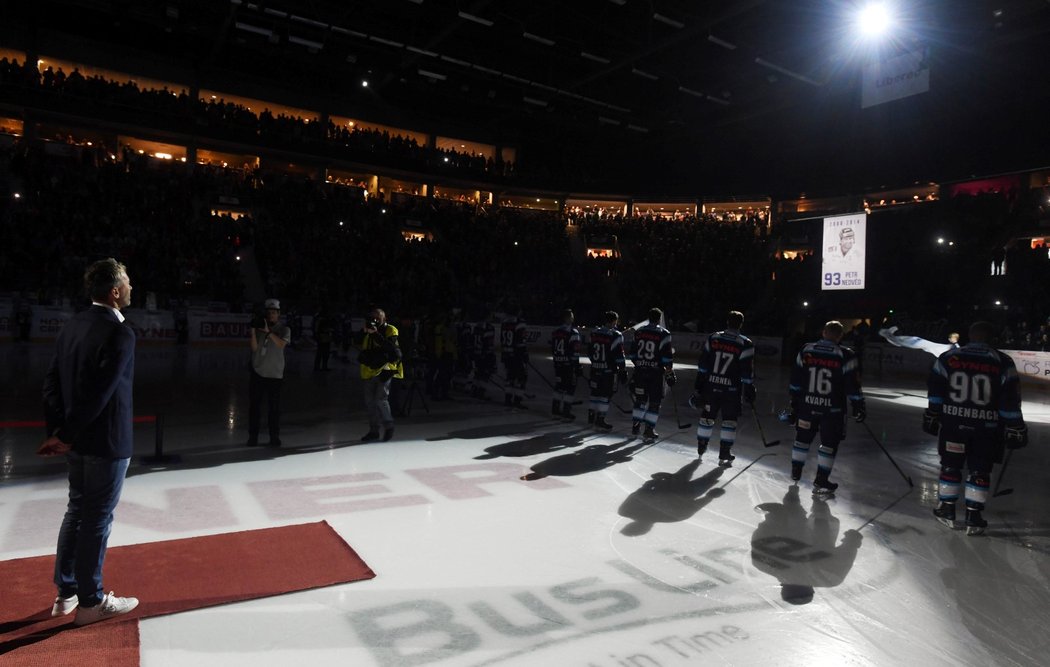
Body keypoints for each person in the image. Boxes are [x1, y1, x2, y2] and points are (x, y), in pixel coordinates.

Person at [39, 258, 139, 625]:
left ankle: (65, 594)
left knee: (76, 511)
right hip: (106, 443)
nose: (131, 288)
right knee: (96, 519)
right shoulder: (121, 332)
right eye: (127, 283)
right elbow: (101, 393)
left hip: (76, 442)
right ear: (114, 291)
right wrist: (65, 435)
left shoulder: (72, 326)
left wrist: (60, 433)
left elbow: (50, 384)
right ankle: (91, 602)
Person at [924, 321, 1027, 535]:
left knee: (951, 466)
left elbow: (935, 390)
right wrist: (1016, 426)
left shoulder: (948, 358)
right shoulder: (1003, 361)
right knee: (980, 470)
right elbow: (1010, 399)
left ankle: (947, 509)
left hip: (953, 425)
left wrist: (933, 414)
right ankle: (974, 516)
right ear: (992, 337)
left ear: (970, 336)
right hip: (987, 429)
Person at [785, 320, 866, 495]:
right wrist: (858, 404)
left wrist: (794, 401)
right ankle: (821, 480)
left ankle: (796, 471)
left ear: (824, 332)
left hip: (807, 405)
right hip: (833, 410)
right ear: (840, 336)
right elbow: (852, 384)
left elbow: (796, 377)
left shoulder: (807, 349)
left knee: (802, 439)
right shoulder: (846, 354)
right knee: (829, 444)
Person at [692, 310, 756, 466]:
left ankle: (701, 446)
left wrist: (699, 385)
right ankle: (724, 452)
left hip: (711, 386)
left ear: (727, 322)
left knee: (707, 417)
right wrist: (749, 388)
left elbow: (703, 364)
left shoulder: (714, 337)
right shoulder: (745, 343)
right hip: (731, 390)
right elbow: (746, 371)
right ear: (741, 324)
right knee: (729, 420)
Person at [247, 298, 290, 447]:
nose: (271, 315)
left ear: (278, 314)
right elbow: (253, 348)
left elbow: (281, 344)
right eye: (269, 312)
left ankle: (274, 436)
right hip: (258, 371)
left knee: (274, 408)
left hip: (275, 374)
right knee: (255, 407)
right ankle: (253, 436)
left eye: (274, 312)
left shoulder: (284, 329)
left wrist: (268, 332)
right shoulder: (259, 328)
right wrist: (253, 332)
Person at [355, 307, 403, 442]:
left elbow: (392, 349)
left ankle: (389, 426)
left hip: (385, 369)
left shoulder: (391, 329)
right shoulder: (367, 329)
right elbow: (355, 342)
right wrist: (363, 332)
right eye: (373, 317)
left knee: (381, 400)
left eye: (378, 317)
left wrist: (375, 334)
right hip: (368, 370)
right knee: (369, 402)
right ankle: (373, 430)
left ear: (384, 318)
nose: (375, 320)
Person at [629, 307, 675, 441]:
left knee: (640, 400)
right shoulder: (664, 333)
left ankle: (635, 427)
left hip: (640, 372)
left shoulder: (639, 332)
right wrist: (669, 372)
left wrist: (640, 364)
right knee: (654, 402)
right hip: (655, 374)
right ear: (659, 318)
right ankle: (649, 430)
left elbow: (632, 354)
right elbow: (667, 357)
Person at [587, 310, 628, 431]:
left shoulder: (594, 333)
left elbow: (589, 352)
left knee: (595, 393)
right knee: (605, 395)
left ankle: (591, 417)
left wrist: (596, 363)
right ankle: (600, 419)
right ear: (614, 321)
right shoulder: (616, 335)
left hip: (595, 369)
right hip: (608, 372)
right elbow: (619, 356)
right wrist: (622, 370)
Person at [550, 308, 583, 419]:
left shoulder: (556, 332)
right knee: (570, 388)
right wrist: (577, 366)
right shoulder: (573, 333)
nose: (573, 318)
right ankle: (566, 411)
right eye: (571, 316)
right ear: (567, 318)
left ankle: (555, 409)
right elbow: (575, 352)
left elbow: (553, 348)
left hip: (558, 363)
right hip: (568, 365)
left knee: (559, 386)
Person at [500, 307, 529, 407]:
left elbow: (502, 340)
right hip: (517, 355)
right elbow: (521, 341)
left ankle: (507, 399)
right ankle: (517, 400)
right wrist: (524, 354)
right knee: (522, 377)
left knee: (510, 377)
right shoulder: (520, 323)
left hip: (507, 353)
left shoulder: (504, 323)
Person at [313, 306, 334, 371]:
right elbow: (317, 329)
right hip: (322, 337)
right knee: (321, 352)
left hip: (326, 337)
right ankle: (318, 367)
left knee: (325, 353)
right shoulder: (320, 319)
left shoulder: (326, 319)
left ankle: (323, 366)